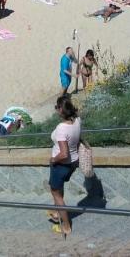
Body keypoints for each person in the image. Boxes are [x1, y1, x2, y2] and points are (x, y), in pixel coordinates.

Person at [48, 95, 82, 237]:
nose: (56, 110)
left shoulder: (62, 128)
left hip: (61, 165)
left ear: (61, 109)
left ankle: (66, 226)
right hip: (73, 162)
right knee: (58, 188)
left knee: (56, 192)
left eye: (57, 107)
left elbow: (63, 153)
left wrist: (53, 160)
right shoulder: (77, 120)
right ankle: (57, 212)